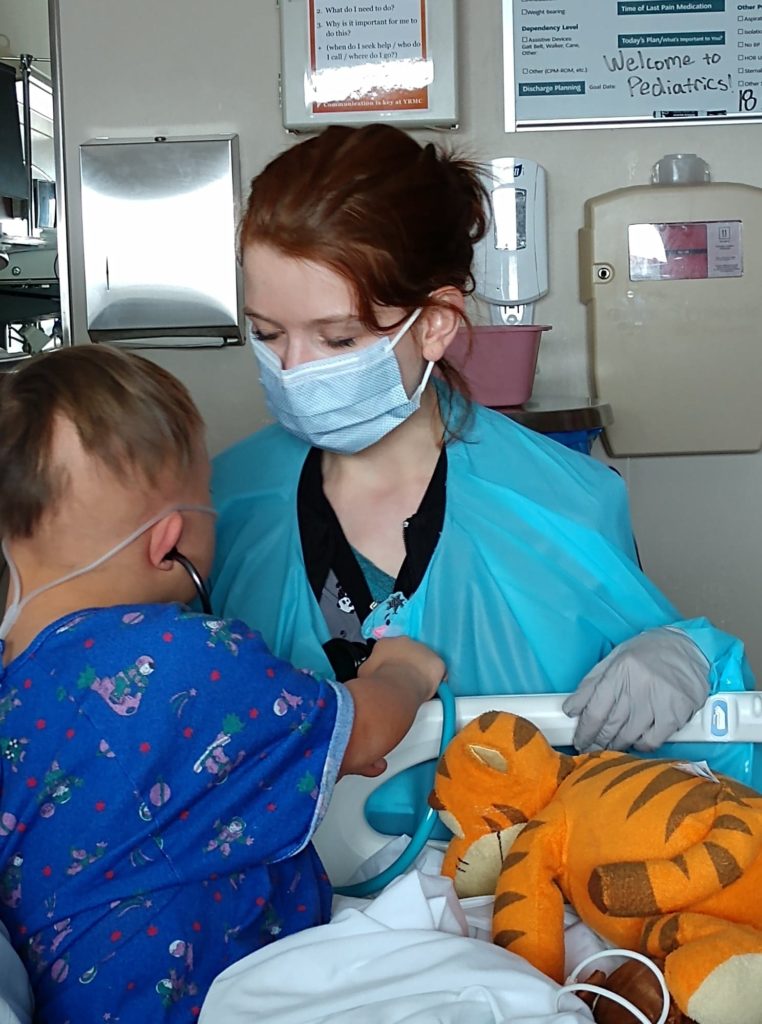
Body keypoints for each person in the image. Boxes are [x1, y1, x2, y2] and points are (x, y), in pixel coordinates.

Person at [210, 123, 754, 835]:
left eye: (338, 339)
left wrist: (688, 657)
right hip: (281, 924)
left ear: (434, 324)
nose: (294, 370)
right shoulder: (222, 504)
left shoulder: (558, 504)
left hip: (521, 914)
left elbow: (695, 763)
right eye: (268, 333)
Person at [0, 345, 444, 1022]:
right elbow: (366, 731)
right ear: (170, 542)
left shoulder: (14, 677)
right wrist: (404, 671)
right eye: (208, 498)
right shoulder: (189, 662)